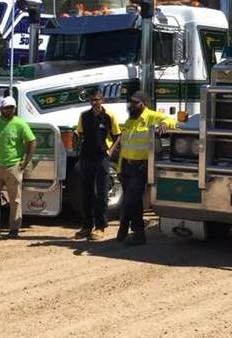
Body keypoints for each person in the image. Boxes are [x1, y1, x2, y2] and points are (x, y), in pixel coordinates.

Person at [115, 91, 175, 245]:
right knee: (134, 201)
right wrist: (120, 168)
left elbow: (171, 120)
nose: (132, 105)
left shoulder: (150, 116)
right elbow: (124, 146)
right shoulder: (130, 120)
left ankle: (124, 225)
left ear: (144, 104)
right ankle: (139, 234)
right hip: (126, 167)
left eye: (135, 103)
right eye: (131, 102)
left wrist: (165, 124)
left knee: (129, 199)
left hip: (140, 167)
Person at [0, 96, 36, 238]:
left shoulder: (20, 124)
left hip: (13, 166)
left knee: (15, 199)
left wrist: (26, 161)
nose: (9, 110)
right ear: (0, 109)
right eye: (6, 108)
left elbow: (32, 141)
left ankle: (14, 228)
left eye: (12, 108)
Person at [73, 88, 120, 241]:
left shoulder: (109, 116)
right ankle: (86, 226)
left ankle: (100, 227)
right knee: (85, 193)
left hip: (101, 157)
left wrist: (110, 151)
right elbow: (79, 132)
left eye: (97, 99)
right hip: (86, 156)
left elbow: (118, 135)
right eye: (92, 100)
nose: (95, 103)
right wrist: (75, 136)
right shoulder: (84, 116)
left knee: (101, 193)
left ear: (102, 100)